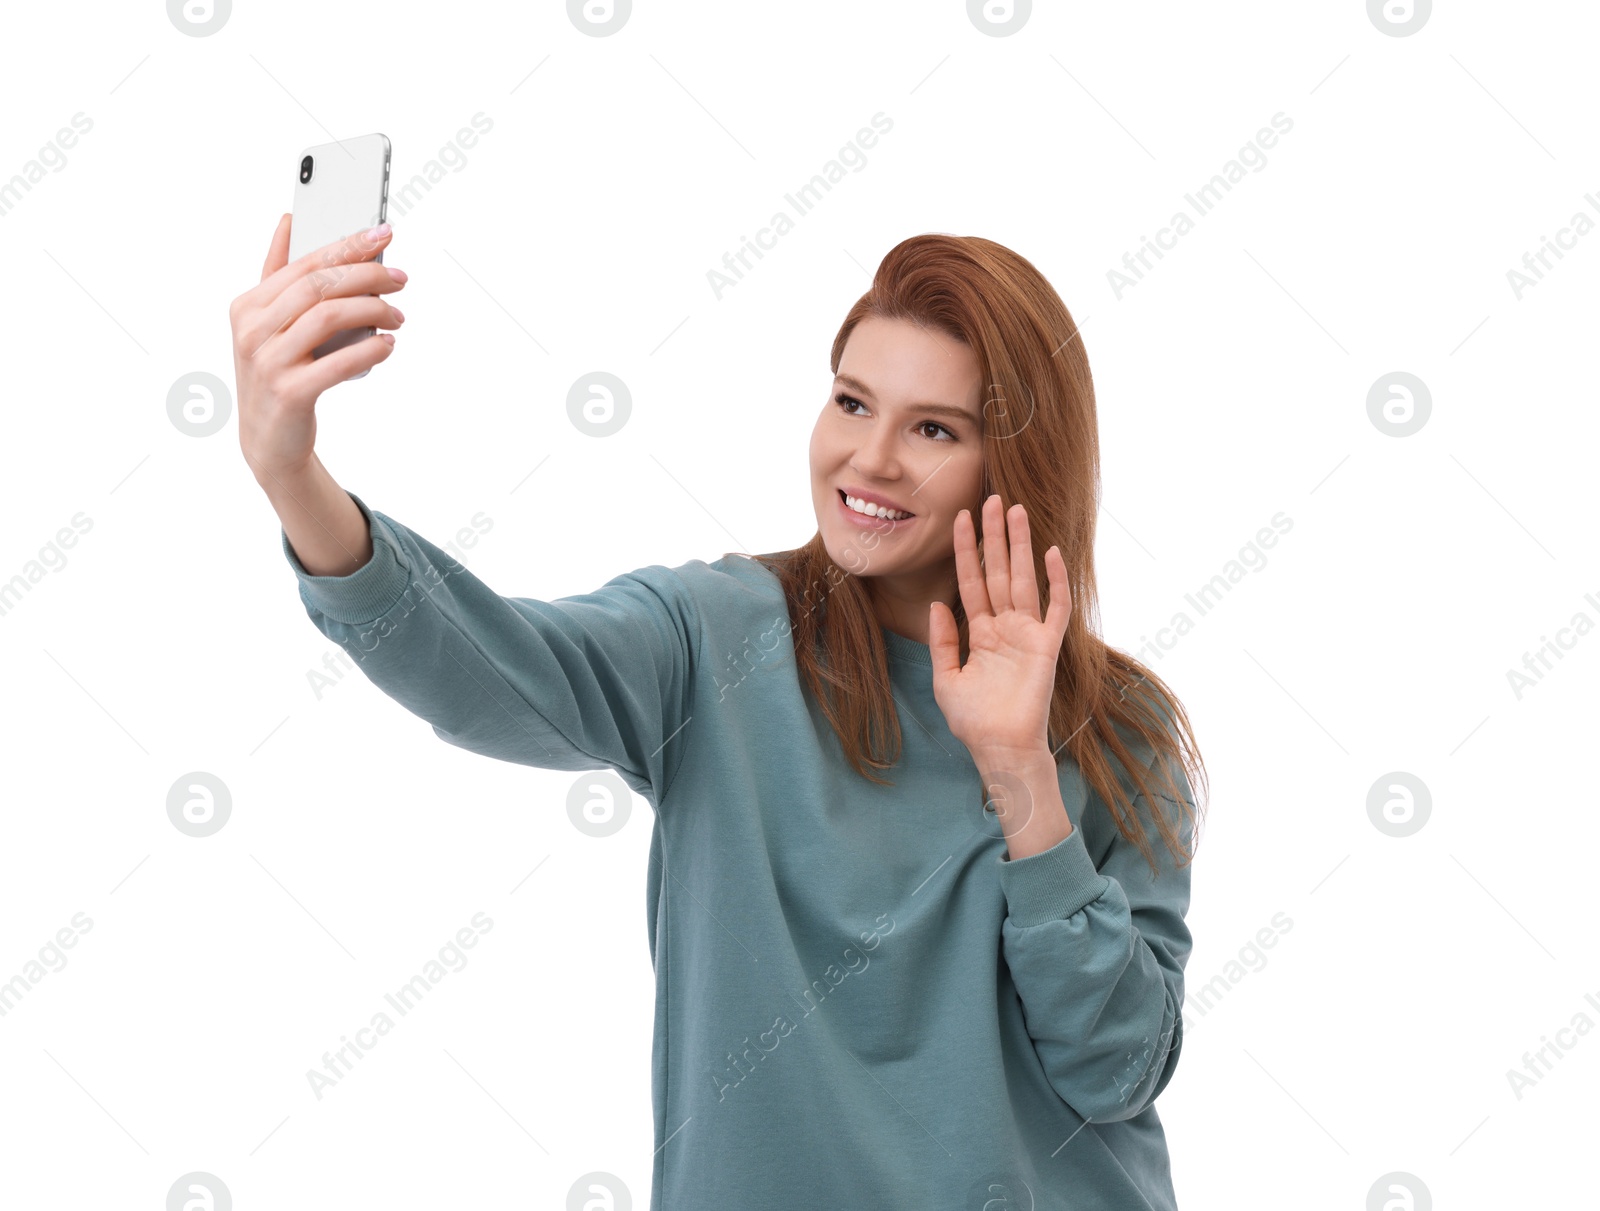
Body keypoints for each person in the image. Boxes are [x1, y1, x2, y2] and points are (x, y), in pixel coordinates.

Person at [230, 216, 1208, 1211]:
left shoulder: (1119, 726)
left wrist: (1021, 777)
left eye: (933, 428)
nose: (869, 459)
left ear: (1015, 464)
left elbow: (1116, 1072)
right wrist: (291, 473)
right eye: (851, 401)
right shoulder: (715, 640)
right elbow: (486, 669)